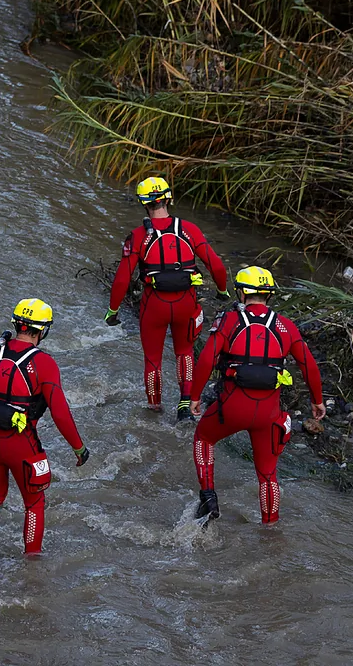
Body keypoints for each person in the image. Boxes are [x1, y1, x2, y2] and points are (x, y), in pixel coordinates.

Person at [0, 299, 91, 573]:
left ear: (17, 324)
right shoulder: (44, 364)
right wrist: (79, 448)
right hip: (22, 444)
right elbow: (60, 412)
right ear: (42, 331)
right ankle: (32, 571)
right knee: (34, 503)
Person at [188, 266, 324, 526]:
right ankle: (270, 531)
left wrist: (195, 395)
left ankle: (208, 497)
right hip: (268, 413)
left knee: (203, 437)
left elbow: (207, 358)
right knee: (268, 474)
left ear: (241, 293)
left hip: (232, 407)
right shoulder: (285, 326)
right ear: (268, 295)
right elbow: (309, 365)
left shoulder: (229, 321)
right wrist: (316, 400)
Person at [105, 177, 228, 422]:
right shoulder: (189, 229)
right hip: (186, 303)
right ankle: (185, 405)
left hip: (154, 306)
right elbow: (215, 265)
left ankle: (154, 409)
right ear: (168, 198)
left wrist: (113, 310)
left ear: (144, 205)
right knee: (185, 352)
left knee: (153, 359)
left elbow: (122, 279)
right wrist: (222, 291)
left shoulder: (138, 236)